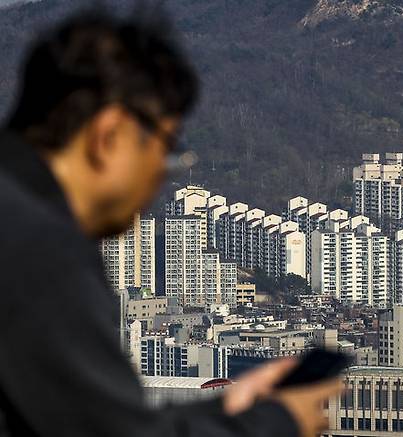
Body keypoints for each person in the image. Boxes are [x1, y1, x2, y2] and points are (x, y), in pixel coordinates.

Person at [0, 9, 341, 437]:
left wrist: (225, 413)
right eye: (164, 154)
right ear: (110, 137)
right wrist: (277, 421)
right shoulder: (44, 252)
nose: (159, 178)